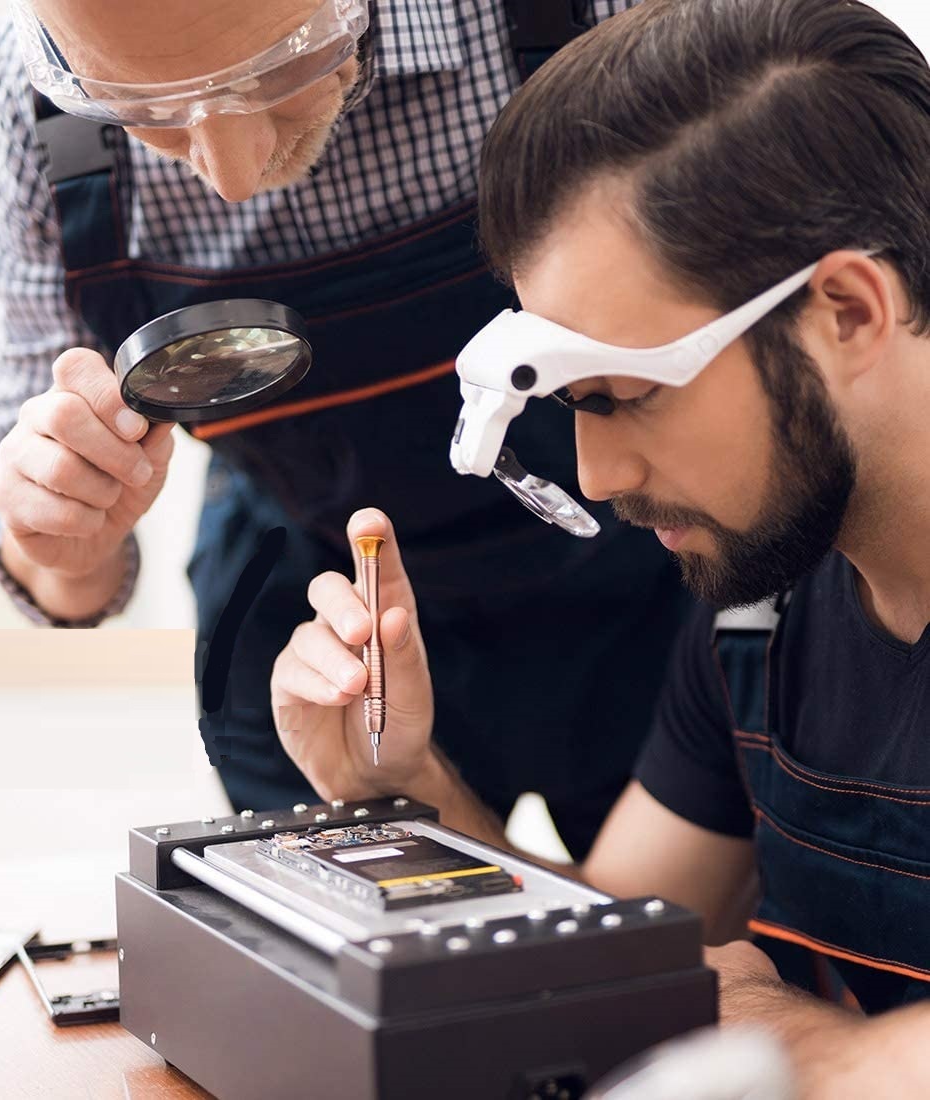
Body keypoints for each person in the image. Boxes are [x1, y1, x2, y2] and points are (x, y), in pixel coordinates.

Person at [270, 0, 930, 1091]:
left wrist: (798, 1040)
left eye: (621, 397)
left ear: (847, 311)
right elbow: (606, 954)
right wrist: (407, 788)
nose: (594, 475)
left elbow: (714, 1008)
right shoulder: (752, 617)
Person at [0, 0, 691, 859]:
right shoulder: (44, 105)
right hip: (320, 637)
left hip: (653, 591)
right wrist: (62, 535)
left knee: (722, 963)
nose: (231, 175)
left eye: (280, 69)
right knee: (355, 972)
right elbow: (57, 578)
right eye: (149, 114)